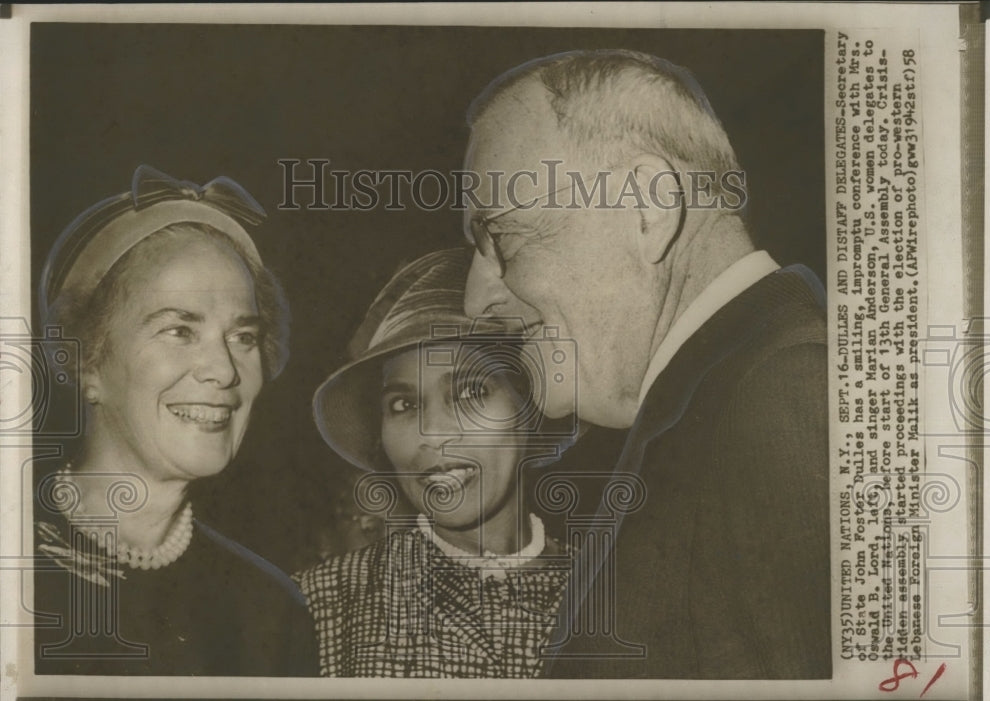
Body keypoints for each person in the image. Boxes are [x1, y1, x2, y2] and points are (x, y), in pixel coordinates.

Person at [462, 50, 831, 678]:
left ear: (646, 207)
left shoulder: (784, 390)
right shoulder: (724, 400)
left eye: (502, 239)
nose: (476, 300)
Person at [33, 165, 318, 676]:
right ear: (88, 362)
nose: (225, 371)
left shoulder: (272, 609)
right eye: (179, 331)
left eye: (244, 337)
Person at [296, 247, 570, 678]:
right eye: (403, 404)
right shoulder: (318, 605)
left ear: (529, 407)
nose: (434, 434)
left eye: (470, 394)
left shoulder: (618, 587)